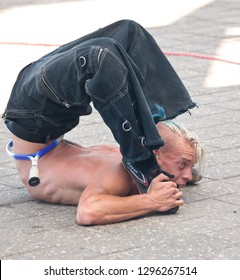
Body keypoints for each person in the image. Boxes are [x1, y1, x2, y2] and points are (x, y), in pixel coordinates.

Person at [2, 19, 205, 225]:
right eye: (183, 165)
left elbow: (88, 211)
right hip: (43, 106)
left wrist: (151, 200)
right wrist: (153, 197)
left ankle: (144, 156)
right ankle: (154, 124)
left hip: (36, 112)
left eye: (188, 167)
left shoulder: (118, 176)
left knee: (102, 56)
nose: (187, 176)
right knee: (129, 31)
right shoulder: (118, 162)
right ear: (156, 154)